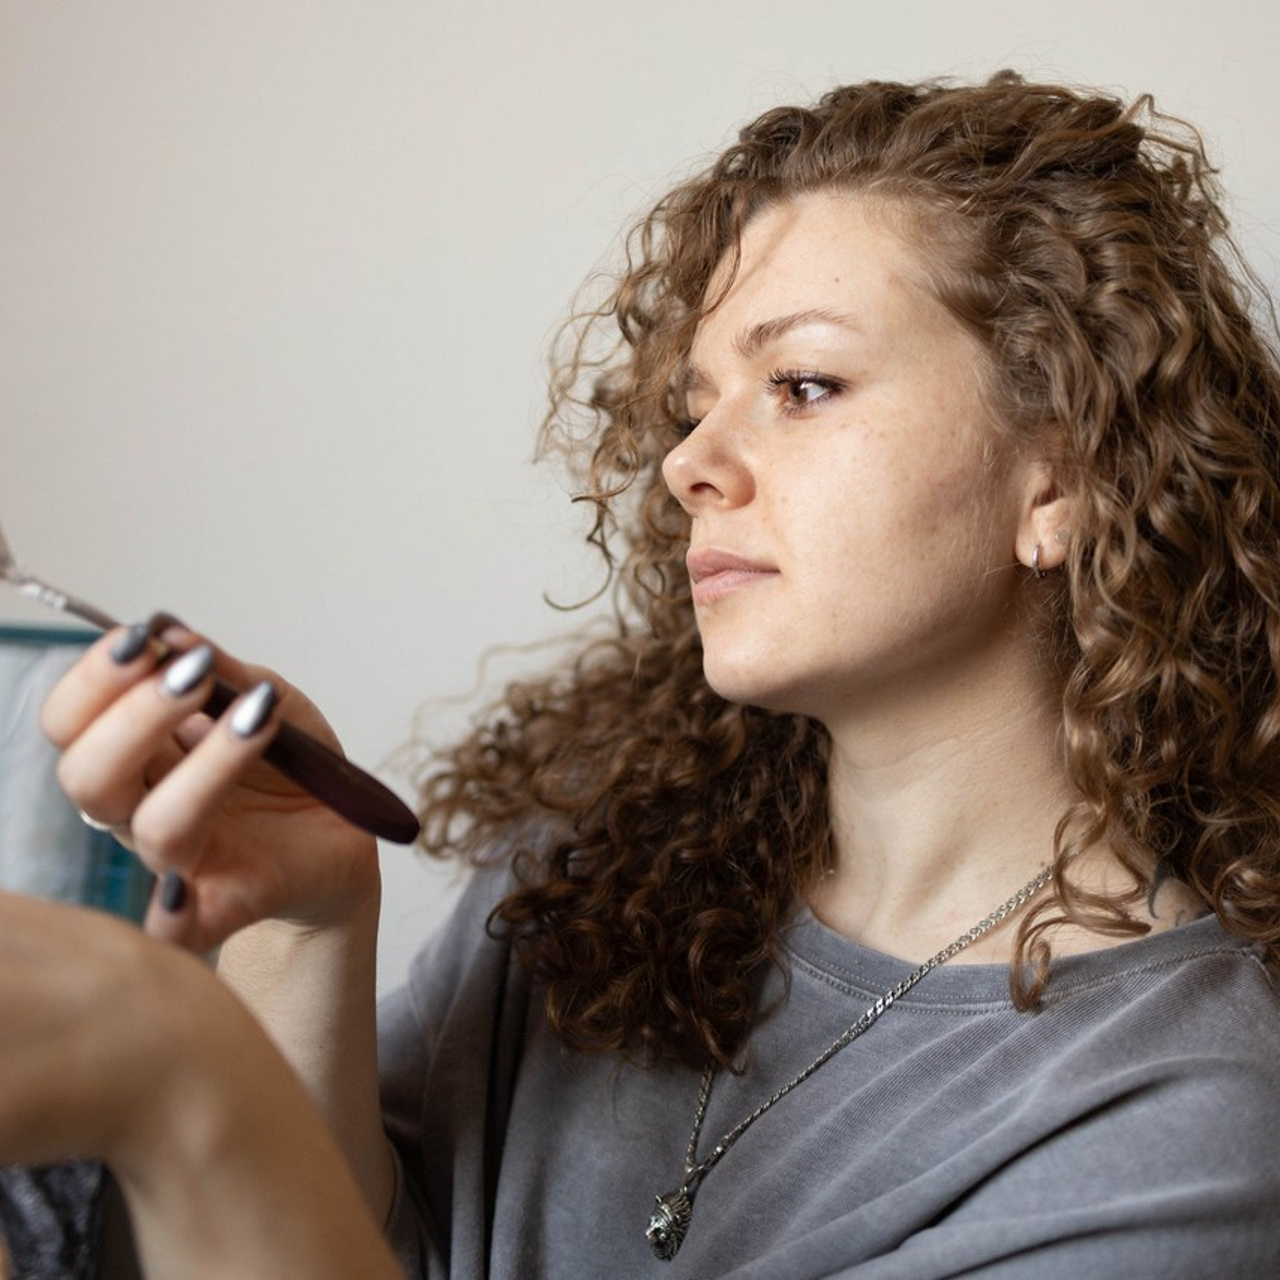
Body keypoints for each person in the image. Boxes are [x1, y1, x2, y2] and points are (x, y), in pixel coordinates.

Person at [3, 70, 1280, 1277]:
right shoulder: (599, 869)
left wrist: (179, 1067)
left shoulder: (1183, 1119)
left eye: (801, 383)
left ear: (1057, 478)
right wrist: (306, 924)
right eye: (691, 407)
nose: (688, 465)